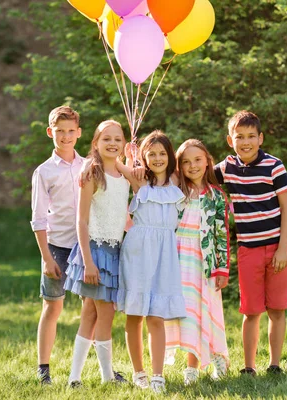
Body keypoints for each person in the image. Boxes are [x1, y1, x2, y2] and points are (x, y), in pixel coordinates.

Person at [214, 110, 287, 376]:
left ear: (260, 138)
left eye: (251, 136)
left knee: (277, 309)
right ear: (230, 140)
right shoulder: (227, 168)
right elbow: (195, 172)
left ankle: (275, 364)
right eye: (239, 137)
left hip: (278, 247)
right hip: (248, 249)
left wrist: (283, 248)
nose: (245, 142)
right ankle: (249, 366)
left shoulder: (274, 166)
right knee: (250, 311)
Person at [116, 131, 186, 394]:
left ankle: (158, 375)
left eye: (162, 153)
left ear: (170, 156)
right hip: (138, 250)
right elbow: (115, 165)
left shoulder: (176, 181)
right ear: (144, 157)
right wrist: (127, 154)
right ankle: (139, 372)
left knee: (156, 315)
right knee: (135, 314)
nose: (157, 158)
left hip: (165, 253)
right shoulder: (139, 180)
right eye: (151, 153)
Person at [64, 120, 130, 387]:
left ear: (124, 144)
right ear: (95, 144)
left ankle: (74, 378)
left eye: (118, 139)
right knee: (105, 314)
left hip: (114, 251)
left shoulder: (123, 175)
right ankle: (106, 377)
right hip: (94, 252)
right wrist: (88, 262)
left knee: (90, 314)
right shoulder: (91, 172)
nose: (112, 143)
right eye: (106, 139)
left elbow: (123, 212)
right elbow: (81, 221)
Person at [164, 139, 231, 385]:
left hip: (204, 263)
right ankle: (190, 363)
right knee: (185, 314)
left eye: (198, 160)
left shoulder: (217, 196)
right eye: (186, 161)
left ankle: (211, 360)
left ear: (208, 161)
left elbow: (221, 234)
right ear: (179, 166)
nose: (193, 166)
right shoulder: (175, 192)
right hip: (177, 259)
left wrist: (222, 268)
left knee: (204, 312)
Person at [30, 106, 85, 384]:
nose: (65, 136)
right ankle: (44, 368)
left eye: (70, 131)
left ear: (79, 133)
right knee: (53, 308)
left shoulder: (88, 165)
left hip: (86, 247)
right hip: (56, 248)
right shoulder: (44, 172)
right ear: (51, 132)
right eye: (60, 131)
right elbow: (38, 219)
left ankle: (99, 367)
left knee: (94, 309)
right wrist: (46, 258)